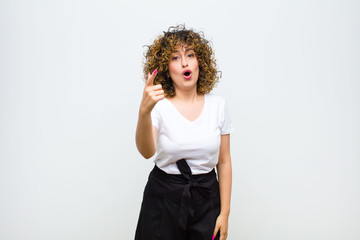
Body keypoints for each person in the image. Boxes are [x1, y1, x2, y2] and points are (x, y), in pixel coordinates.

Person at [135, 25, 234, 240]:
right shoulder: (158, 106)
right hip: (163, 199)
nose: (185, 62)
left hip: (206, 199)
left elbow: (224, 161)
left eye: (190, 54)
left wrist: (224, 213)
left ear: (201, 62)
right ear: (165, 67)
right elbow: (146, 152)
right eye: (175, 57)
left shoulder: (218, 105)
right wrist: (144, 112)